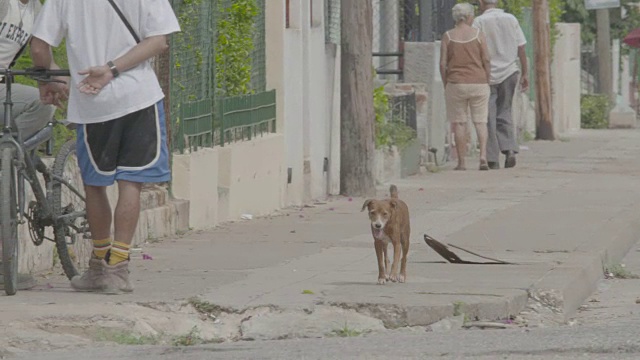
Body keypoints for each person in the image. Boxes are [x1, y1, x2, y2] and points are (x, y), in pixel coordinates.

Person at [31, 0, 180, 294]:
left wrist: (50, 76)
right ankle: (118, 268)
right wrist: (112, 69)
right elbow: (159, 41)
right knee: (131, 183)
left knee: (95, 185)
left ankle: (98, 265)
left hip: (92, 103)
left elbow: (39, 47)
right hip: (139, 97)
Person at [0, 0, 65, 291]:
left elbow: (43, 54)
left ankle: (8, 151)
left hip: (6, 88)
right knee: (39, 110)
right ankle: (8, 152)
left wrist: (56, 76)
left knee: (41, 107)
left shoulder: (36, 11)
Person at [473, 0, 529, 169]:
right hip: (509, 72)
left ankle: (492, 157)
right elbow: (521, 48)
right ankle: (509, 149)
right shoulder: (511, 19)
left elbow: (476, 48)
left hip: (487, 74)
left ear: (482, 3)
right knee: (505, 111)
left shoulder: (479, 22)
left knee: (487, 115)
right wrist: (525, 72)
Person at [440, 2, 491, 171]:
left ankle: (461, 162)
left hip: (456, 83)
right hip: (479, 82)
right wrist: (487, 78)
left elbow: (442, 63)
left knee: (460, 123)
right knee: (481, 121)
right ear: (469, 16)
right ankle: (483, 156)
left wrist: (445, 82)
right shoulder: (479, 35)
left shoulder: (448, 36)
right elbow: (487, 60)